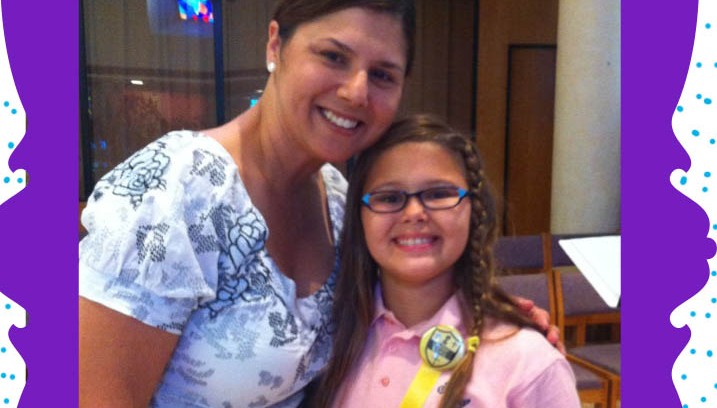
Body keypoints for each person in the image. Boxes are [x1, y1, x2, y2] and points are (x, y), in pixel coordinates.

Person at [79, 1, 559, 407]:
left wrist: (491, 319)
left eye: (382, 74)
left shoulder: (338, 199)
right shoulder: (173, 191)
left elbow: (395, 303)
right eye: (333, 56)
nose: (356, 91)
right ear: (275, 46)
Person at [312, 114, 580, 407]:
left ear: (474, 209)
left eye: (439, 194)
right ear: (359, 216)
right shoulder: (326, 339)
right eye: (389, 198)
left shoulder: (528, 362)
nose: (414, 213)